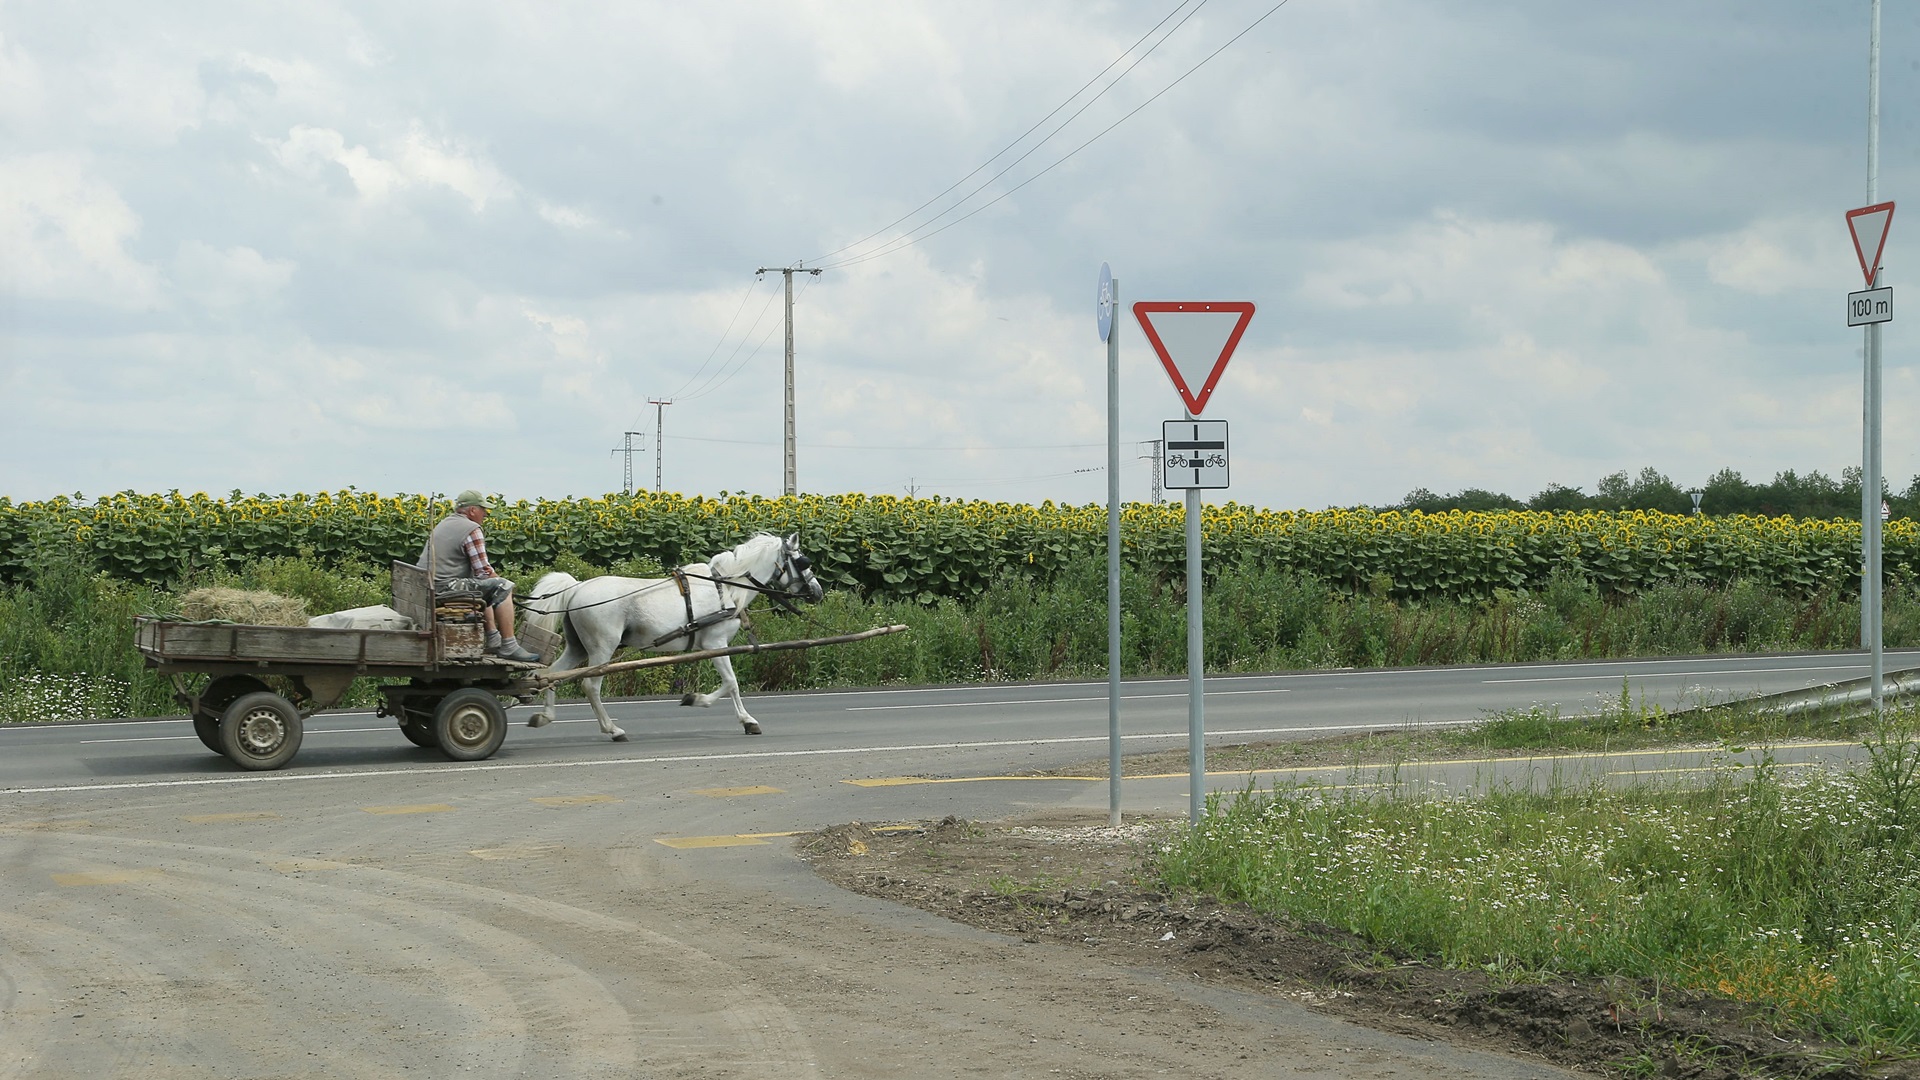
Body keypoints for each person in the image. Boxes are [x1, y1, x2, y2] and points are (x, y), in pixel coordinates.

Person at [419, 490, 541, 662]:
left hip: (429, 585)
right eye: (483, 509)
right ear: (472, 511)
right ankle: (509, 646)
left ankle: (493, 637)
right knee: (502, 586)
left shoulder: (445, 523)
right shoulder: (471, 529)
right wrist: (503, 585)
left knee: (486, 587)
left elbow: (481, 579)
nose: (486, 514)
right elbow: (483, 571)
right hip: (445, 587)